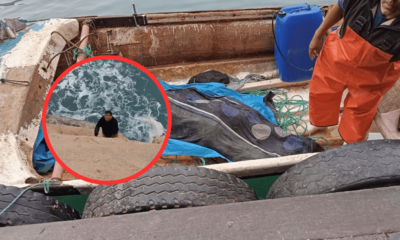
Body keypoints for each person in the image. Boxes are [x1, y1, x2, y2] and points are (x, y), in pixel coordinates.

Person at [308, 0, 400, 144]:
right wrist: (317, 34)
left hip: (371, 79)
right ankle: (319, 125)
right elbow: (340, 6)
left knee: (359, 113)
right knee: (321, 94)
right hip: (336, 60)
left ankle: (350, 143)